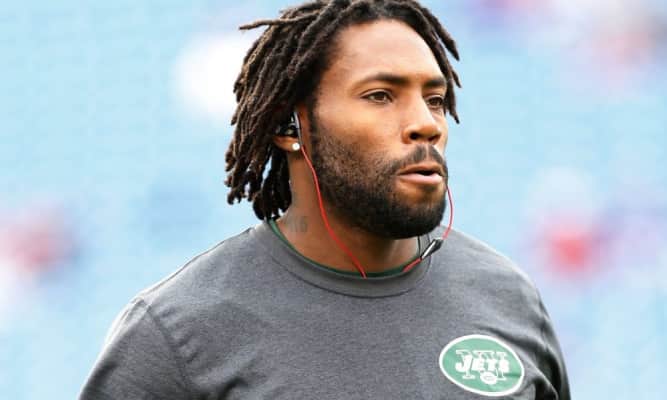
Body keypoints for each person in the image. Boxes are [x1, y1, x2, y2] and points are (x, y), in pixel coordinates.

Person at [80, 0, 570, 398]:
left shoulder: (508, 297)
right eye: (380, 95)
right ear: (289, 125)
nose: (427, 124)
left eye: (435, 100)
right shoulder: (177, 334)